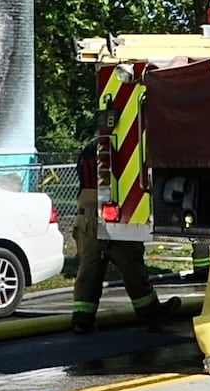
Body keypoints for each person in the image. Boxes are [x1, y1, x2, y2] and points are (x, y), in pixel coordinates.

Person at [71, 132, 182, 334]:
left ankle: (82, 318)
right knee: (131, 265)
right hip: (114, 212)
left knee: (89, 269)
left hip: (86, 218)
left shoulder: (88, 149)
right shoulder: (118, 150)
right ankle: (150, 311)